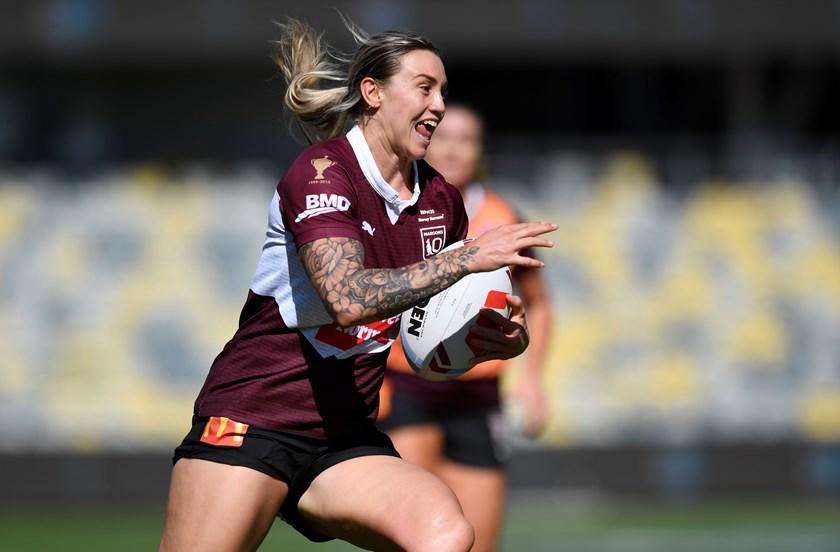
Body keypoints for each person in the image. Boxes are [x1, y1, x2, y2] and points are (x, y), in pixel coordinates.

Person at [158, 16, 556, 552]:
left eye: (443, 91)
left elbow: (425, 329)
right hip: (254, 417)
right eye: (424, 88)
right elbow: (347, 300)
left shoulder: (441, 201)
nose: (439, 105)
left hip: (344, 438)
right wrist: (467, 258)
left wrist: (498, 335)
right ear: (373, 93)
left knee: (446, 535)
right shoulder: (322, 172)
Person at [379, 103, 553, 552]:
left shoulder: (504, 215)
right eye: (444, 137)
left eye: (467, 140)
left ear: (481, 151)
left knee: (477, 542)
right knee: (409, 537)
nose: (455, 149)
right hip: (409, 388)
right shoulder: (396, 209)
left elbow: (538, 303)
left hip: (478, 397)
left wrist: (531, 379)